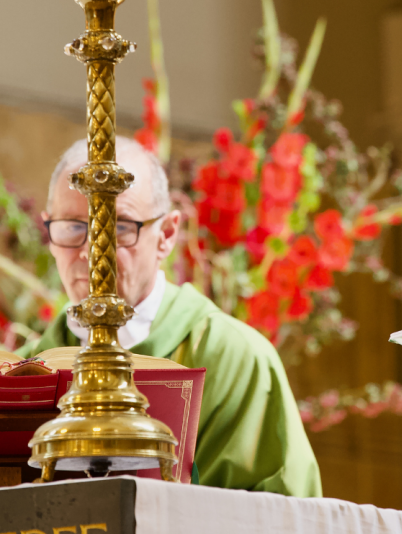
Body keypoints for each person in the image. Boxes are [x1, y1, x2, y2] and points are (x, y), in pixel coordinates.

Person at [20, 136, 322, 496]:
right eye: (71, 227)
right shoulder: (29, 367)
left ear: (166, 234)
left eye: (119, 227)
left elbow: (284, 517)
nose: (92, 252)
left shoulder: (235, 359)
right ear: (48, 230)